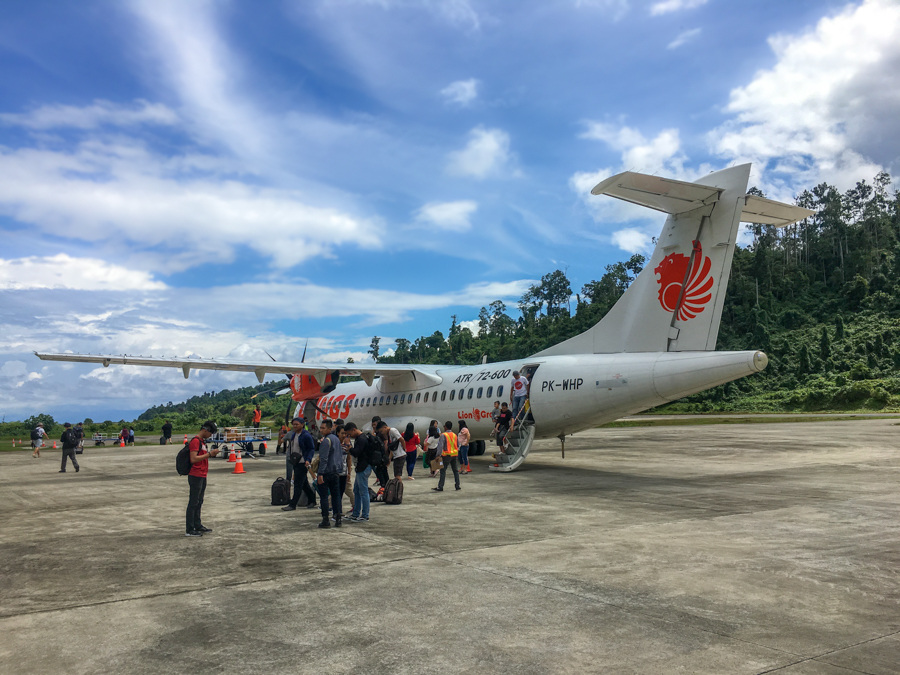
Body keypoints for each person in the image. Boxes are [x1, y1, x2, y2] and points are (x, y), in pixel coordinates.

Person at [185, 421, 220, 537]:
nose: (211, 436)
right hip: (196, 475)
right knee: (193, 502)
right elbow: (193, 459)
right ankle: (190, 529)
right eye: (211, 433)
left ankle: (197, 524)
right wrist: (210, 454)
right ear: (205, 430)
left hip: (202, 474)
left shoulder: (202, 442)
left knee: (199, 501)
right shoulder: (195, 441)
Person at [281, 417, 317, 511]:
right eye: (293, 424)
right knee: (304, 483)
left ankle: (293, 504)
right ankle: (312, 500)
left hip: (302, 462)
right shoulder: (294, 435)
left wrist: (308, 459)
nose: (295, 426)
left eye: (297, 424)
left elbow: (311, 448)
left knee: (298, 484)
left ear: (302, 425)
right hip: (295, 461)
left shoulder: (306, 435)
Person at [316, 419, 343, 529]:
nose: (321, 430)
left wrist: (320, 473)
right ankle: (338, 517)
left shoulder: (326, 441)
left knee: (324, 496)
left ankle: (325, 519)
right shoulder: (336, 439)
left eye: (323, 428)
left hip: (326, 472)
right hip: (335, 471)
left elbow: (324, 459)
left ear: (330, 428)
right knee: (336, 495)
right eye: (321, 428)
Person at [345, 422, 375, 523]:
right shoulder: (360, 438)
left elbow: (356, 452)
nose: (349, 436)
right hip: (361, 467)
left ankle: (365, 515)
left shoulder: (361, 439)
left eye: (349, 433)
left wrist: (349, 447)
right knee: (357, 490)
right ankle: (356, 513)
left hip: (363, 467)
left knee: (363, 491)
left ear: (353, 429)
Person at [433, 421, 460, 492]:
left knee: (443, 471)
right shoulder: (454, 435)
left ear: (445, 427)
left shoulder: (443, 435)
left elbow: (440, 445)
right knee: (455, 471)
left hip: (446, 455)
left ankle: (440, 486)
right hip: (454, 455)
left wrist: (438, 455)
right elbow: (458, 445)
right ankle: (457, 485)